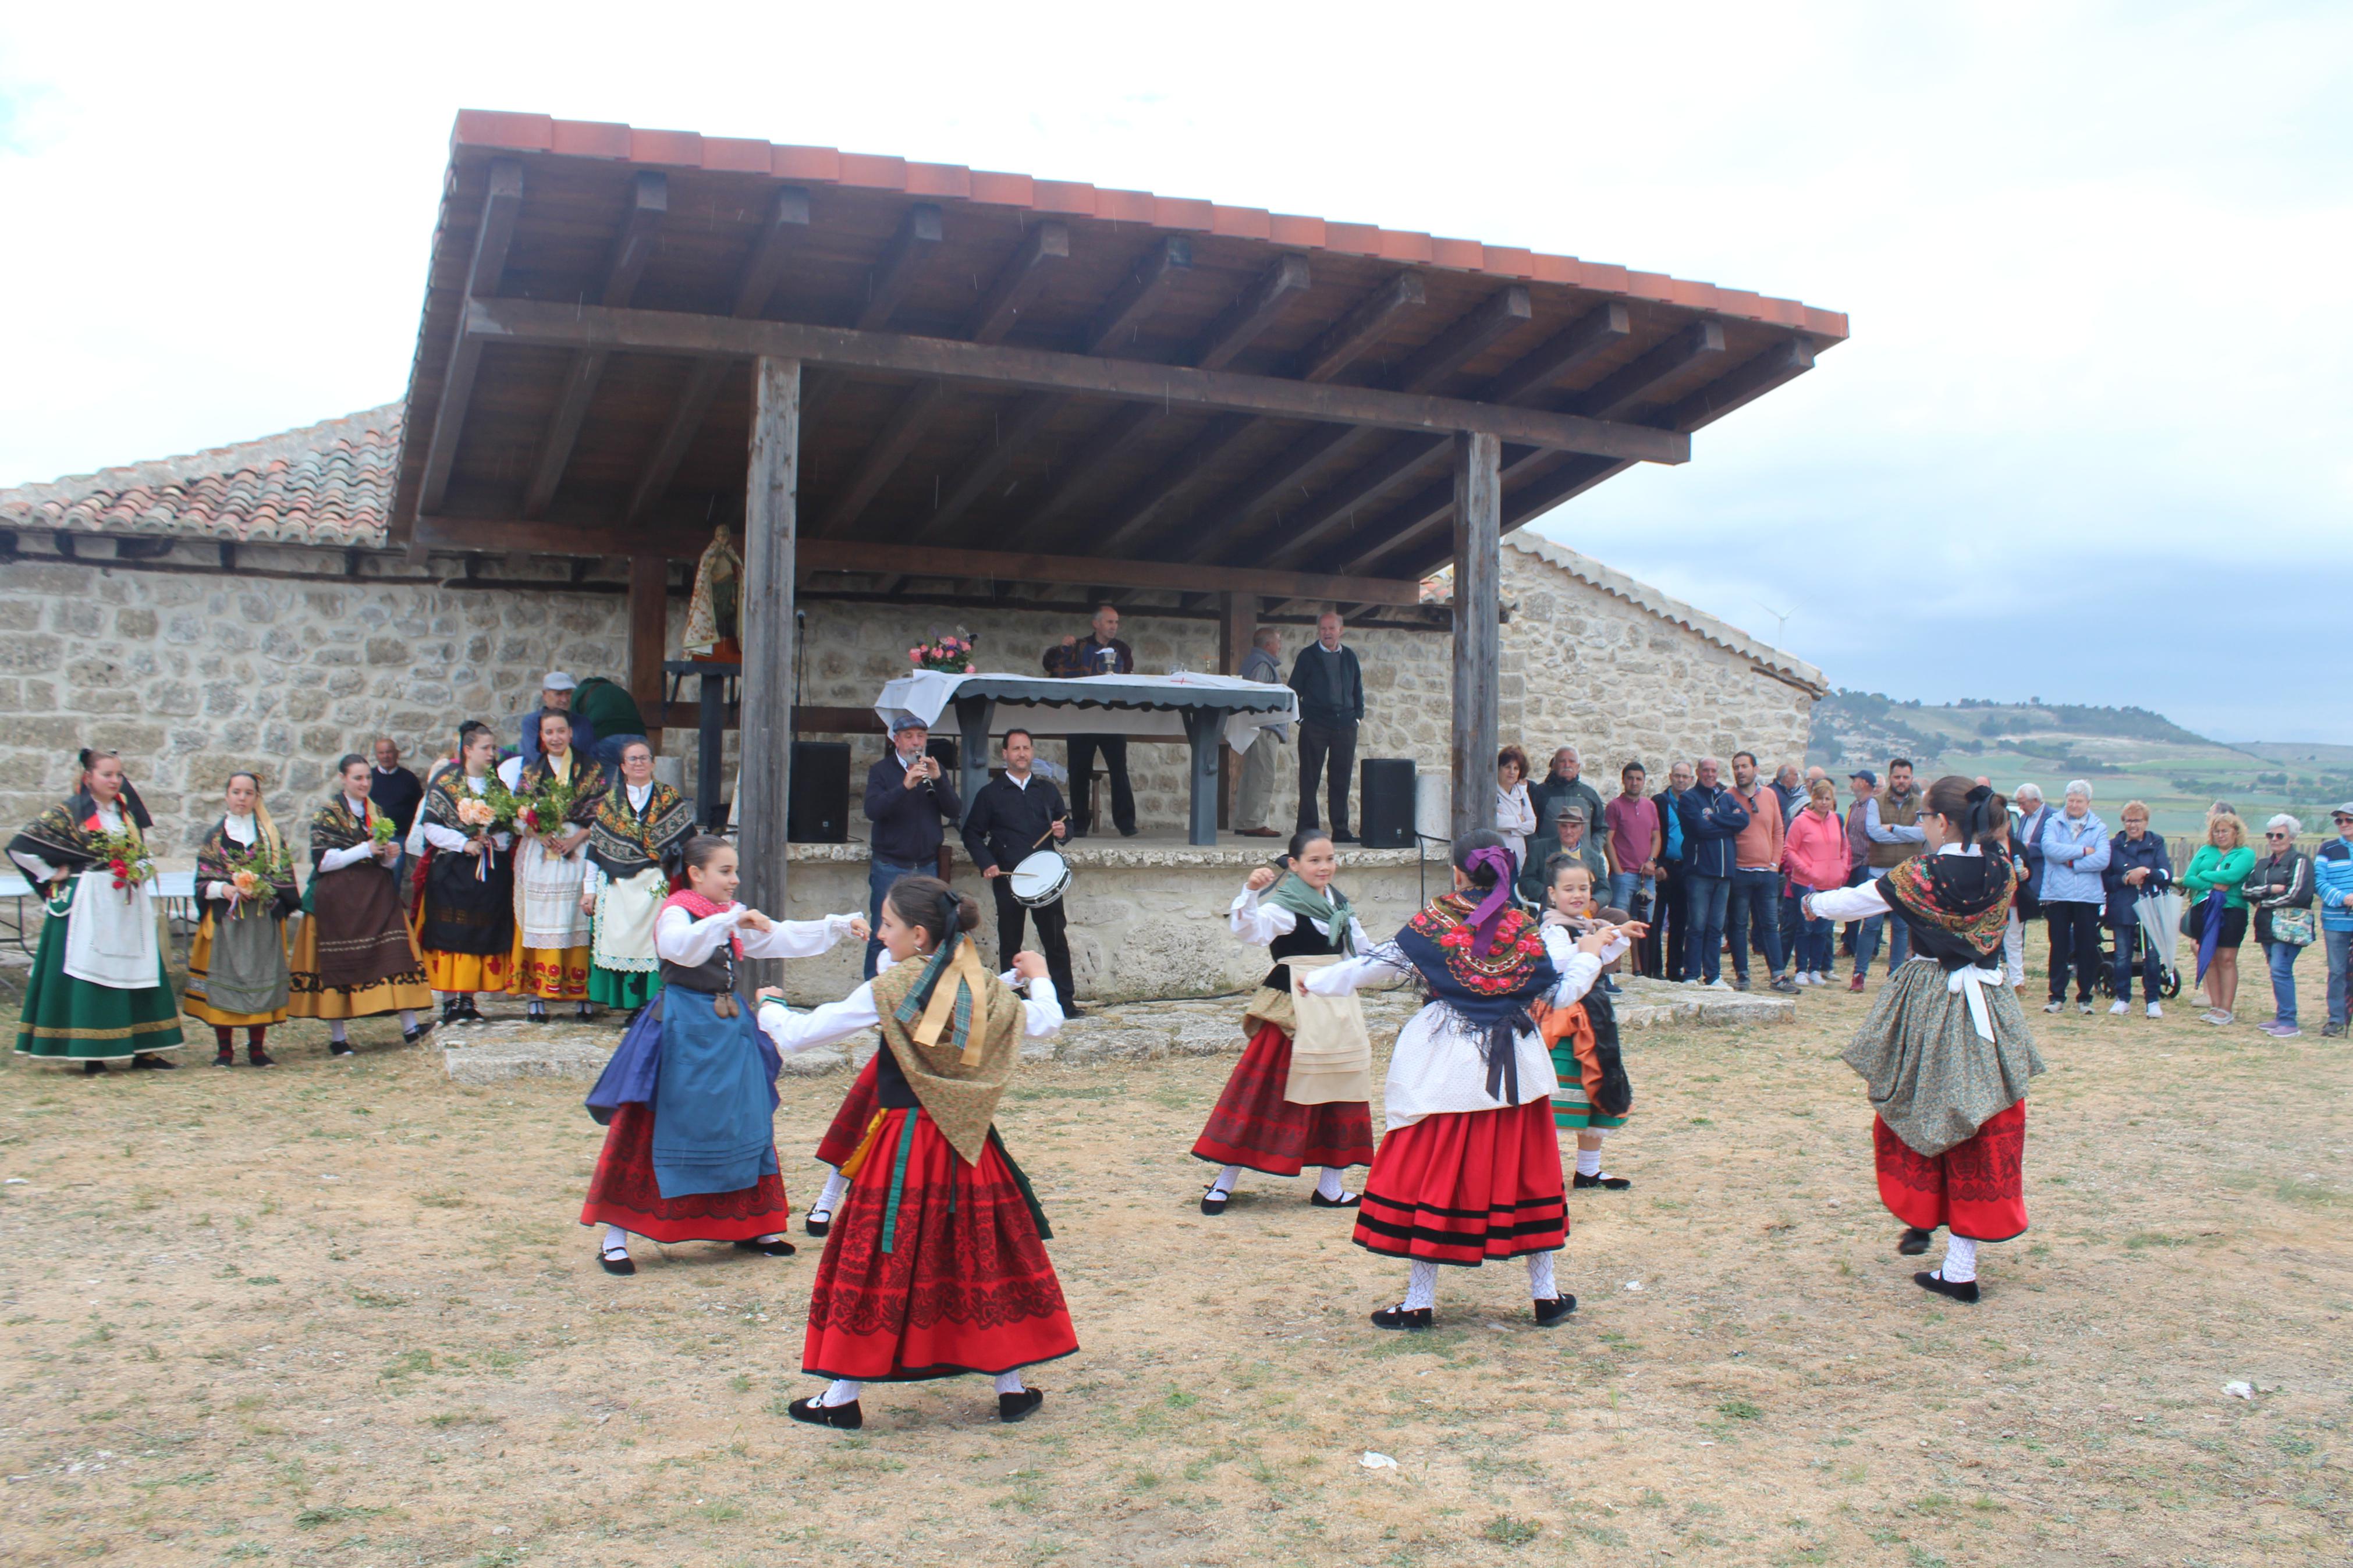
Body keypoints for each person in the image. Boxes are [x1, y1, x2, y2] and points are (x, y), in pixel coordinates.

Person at [765, 876, 1075, 1430]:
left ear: (919, 934)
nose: (880, 934)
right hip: (968, 1143)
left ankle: (840, 1396)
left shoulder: (890, 988)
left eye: (887, 924)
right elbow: (1046, 1022)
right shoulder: (978, 984)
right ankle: (1009, 1387)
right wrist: (1041, 978)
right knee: (981, 1254)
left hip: (905, 1144)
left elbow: (800, 1034)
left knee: (883, 1257)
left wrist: (769, 1008)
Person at [1301, 831, 1597, 1330]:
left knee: (1436, 1172)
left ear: (1457, 871)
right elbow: (1561, 991)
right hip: (1513, 1067)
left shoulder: (1435, 921)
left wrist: (1317, 981)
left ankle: (1419, 1300)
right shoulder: (1523, 926)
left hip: (1448, 1062)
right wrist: (1590, 953)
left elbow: (1375, 965)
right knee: (1527, 1171)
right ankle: (1545, 1294)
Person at [580, 835, 867, 1277]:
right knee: (653, 1126)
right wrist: (729, 920)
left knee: (745, 1119)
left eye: (735, 871)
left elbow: (777, 936)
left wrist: (838, 926)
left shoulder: (727, 914)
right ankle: (616, 1235)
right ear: (696, 874)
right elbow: (679, 948)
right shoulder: (677, 911)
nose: (734, 880)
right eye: (725, 871)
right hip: (680, 1029)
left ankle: (754, 1224)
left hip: (728, 1029)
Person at [1800, 778, 2040, 1304]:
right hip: (1989, 1003)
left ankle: (1940, 1241)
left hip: (1934, 1000)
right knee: (1978, 1119)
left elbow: (1858, 901)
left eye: (1925, 818)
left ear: (1942, 822)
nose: (1922, 825)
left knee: (1918, 1109)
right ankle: (1955, 1256)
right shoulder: (2001, 869)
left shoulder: (1922, 873)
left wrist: (1812, 903)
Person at [1195, 829, 1376, 1213]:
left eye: (1330, 859)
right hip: (1295, 1004)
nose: (1325, 867)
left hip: (1338, 1002)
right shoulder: (1284, 906)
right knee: (1265, 1090)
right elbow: (1249, 930)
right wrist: (1250, 892)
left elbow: (1362, 952)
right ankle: (1224, 1181)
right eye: (1315, 860)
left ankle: (1330, 1187)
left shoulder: (1340, 905)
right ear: (1293, 865)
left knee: (1342, 1086)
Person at [9, 748, 186, 1073]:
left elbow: (139, 851)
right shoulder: (69, 813)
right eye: (107, 775)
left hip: (126, 901)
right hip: (90, 900)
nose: (115, 781)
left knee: (138, 967)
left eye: (118, 775)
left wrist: (140, 868)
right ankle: (93, 1052)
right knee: (93, 970)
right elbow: (21, 847)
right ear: (88, 777)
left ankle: (145, 1051)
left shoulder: (125, 813)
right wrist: (51, 874)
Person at [288, 754, 434, 1055]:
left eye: (368, 777)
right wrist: (366, 848)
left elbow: (382, 861)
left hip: (375, 893)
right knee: (336, 961)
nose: (364, 783)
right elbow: (324, 861)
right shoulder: (327, 815)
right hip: (337, 896)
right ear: (343, 779)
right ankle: (338, 1038)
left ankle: (410, 1028)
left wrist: (389, 856)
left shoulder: (376, 812)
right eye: (358, 778)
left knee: (396, 951)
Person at [1532, 858, 1642, 1189]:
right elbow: (1555, 963)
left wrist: (1618, 935)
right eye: (1569, 889)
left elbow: (1602, 957)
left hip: (1595, 1016)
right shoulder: (1553, 929)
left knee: (1599, 1088)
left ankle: (1588, 1170)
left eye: (1584, 888)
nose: (1577, 894)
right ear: (1552, 894)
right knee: (1557, 1097)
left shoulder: (1587, 925)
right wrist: (1587, 945)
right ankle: (1542, 1174)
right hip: (1563, 1020)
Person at [500, 710, 609, 1021]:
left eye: (561, 731)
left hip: (578, 849)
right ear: (541, 736)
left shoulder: (590, 769)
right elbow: (517, 816)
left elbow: (603, 814)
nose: (556, 738)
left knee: (577, 916)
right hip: (540, 853)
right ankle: (537, 993)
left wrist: (576, 839)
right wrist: (540, 833)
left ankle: (582, 993)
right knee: (538, 917)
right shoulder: (532, 771)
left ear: (571, 733)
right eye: (549, 732)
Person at [185, 771, 299, 1067]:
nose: (242, 798)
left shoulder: (270, 838)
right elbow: (202, 881)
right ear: (227, 795)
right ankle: (225, 1050)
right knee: (226, 979)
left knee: (259, 976)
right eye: (236, 792)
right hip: (228, 920)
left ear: (257, 798)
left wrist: (262, 886)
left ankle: (257, 1049)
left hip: (260, 919)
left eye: (249, 793)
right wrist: (225, 889)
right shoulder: (215, 837)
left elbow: (284, 876)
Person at [961, 729, 1078, 1017]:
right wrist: (987, 862)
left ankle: (1065, 1002)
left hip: (1045, 880)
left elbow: (1066, 824)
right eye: (1016, 749)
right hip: (1009, 877)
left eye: (1026, 748)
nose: (1022, 754)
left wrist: (1063, 832)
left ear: (1032, 752)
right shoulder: (990, 794)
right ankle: (1013, 1002)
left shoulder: (1047, 791)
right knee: (1010, 941)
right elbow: (971, 833)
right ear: (1005, 754)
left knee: (1055, 940)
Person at [582, 739, 694, 1015]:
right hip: (618, 884)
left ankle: (653, 1004)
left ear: (653, 763)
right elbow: (596, 849)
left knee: (656, 943)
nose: (639, 763)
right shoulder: (610, 803)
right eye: (632, 759)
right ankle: (632, 1006)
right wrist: (588, 890)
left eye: (644, 758)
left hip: (657, 882)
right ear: (623, 767)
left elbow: (687, 843)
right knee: (623, 941)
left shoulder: (669, 798)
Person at [414, 723, 516, 1026]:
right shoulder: (446, 783)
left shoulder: (497, 787)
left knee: (479, 933)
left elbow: (508, 829)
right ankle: (449, 1002)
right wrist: (463, 843)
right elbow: (430, 827)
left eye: (493, 748)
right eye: (486, 748)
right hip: (453, 873)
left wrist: (492, 841)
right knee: (451, 934)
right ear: (468, 750)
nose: (491, 754)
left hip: (488, 873)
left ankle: (469, 1000)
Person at [860, 715, 964, 979]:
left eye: (920, 736)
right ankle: (873, 994)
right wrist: (905, 786)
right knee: (883, 933)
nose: (916, 742)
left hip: (926, 866)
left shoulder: (933, 769)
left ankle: (917, 991)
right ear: (896, 741)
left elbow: (954, 810)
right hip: (890, 866)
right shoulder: (881, 771)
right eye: (909, 737)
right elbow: (873, 810)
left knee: (925, 934)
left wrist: (939, 780)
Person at [1044, 603, 1138, 839]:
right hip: (1081, 717)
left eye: (1116, 622)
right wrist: (1063, 648)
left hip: (1112, 718)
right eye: (1110, 622)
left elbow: (1127, 677)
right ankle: (1080, 824)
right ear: (1096, 624)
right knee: (1078, 771)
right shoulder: (1079, 647)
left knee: (1119, 771)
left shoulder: (1122, 649)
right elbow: (1051, 664)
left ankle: (1126, 824)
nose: (1114, 626)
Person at [2035, 781, 2110, 1016]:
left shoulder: (2099, 828)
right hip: (2057, 894)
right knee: (2059, 946)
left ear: (2088, 803)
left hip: (2087, 897)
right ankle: (2056, 996)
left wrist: (2071, 863)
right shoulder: (2053, 823)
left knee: (2087, 946)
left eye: (2079, 801)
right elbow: (2050, 850)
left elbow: (2103, 859)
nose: (2075, 805)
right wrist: (2083, 852)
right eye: (2071, 800)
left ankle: (2084, 997)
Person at [1289, 610, 1364, 842]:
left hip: (1346, 726)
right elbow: (1293, 692)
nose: (1327, 633)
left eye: (1332, 628)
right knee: (1309, 778)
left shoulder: (1349, 657)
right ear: (1318, 631)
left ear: (1341, 631)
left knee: (1341, 779)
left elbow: (1357, 690)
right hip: (1315, 725)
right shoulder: (1307, 656)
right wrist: (1302, 720)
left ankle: (1341, 831)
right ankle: (1307, 830)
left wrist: (1358, 717)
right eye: (1323, 629)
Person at [1725, 751, 1795, 994]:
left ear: (1755, 769)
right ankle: (1742, 974)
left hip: (1766, 873)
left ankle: (1778, 975)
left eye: (1744, 766)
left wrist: (1775, 864)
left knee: (1770, 925)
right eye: (1736, 767)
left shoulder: (1769, 796)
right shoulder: (1727, 798)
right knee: (1738, 924)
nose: (1740, 771)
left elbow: (1778, 831)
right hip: (1739, 872)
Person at [1855, 759, 1928, 987]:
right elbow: (1874, 833)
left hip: (1908, 874)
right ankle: (1859, 974)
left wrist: (1894, 828)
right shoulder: (1875, 802)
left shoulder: (1921, 804)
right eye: (1897, 777)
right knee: (1871, 925)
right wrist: (1907, 835)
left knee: (1901, 927)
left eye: (1906, 777)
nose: (1901, 781)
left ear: (1912, 778)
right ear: (1890, 778)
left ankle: (1895, 977)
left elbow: (1923, 835)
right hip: (1879, 873)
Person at [1675, 757, 1747, 986]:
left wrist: (1715, 818)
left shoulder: (1726, 798)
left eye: (1714, 771)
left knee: (1716, 928)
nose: (1710, 774)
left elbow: (1743, 820)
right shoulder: (1689, 799)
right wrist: (1729, 826)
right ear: (1698, 772)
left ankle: (1713, 976)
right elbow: (1700, 829)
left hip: (1725, 873)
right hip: (1700, 872)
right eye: (1706, 770)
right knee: (1697, 926)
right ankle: (1691, 974)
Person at [2181, 810, 2255, 1025]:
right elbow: (2188, 879)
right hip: (2203, 908)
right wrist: (2213, 883)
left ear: (2236, 832)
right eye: (2217, 831)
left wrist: (2204, 875)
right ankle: (2215, 1006)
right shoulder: (2206, 851)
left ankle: (2226, 1009)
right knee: (2210, 957)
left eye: (2225, 831)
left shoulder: (2245, 854)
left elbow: (2233, 876)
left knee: (2227, 958)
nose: (2220, 835)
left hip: (2231, 909)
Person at [2100, 801, 2173, 1019]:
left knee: (2152, 955)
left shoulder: (2157, 842)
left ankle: (2152, 1000)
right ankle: (2122, 999)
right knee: (2123, 955)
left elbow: (2166, 874)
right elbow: (2106, 880)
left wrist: (2146, 872)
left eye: (2138, 820)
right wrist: (2125, 878)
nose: (2133, 825)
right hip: (2122, 906)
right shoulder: (2113, 846)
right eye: (2129, 820)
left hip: (2151, 905)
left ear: (2146, 822)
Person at [2246, 814, 2314, 1039]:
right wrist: (2270, 889)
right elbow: (2247, 890)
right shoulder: (2263, 864)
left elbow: (2297, 894)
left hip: (2290, 927)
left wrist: (2264, 902)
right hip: (2266, 926)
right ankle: (2281, 1015)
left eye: (2280, 835)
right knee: (2275, 970)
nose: (2274, 839)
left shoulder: (2300, 861)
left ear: (2292, 838)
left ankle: (2288, 1021)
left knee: (2280, 969)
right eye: (2270, 835)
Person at [1781, 778, 1849, 986]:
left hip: (1831, 882)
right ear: (1813, 799)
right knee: (1805, 927)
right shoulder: (1801, 822)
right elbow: (1789, 850)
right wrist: (1807, 870)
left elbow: (1844, 848)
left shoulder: (1836, 820)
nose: (1824, 803)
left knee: (1823, 928)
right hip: (1806, 882)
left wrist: (1842, 869)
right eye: (1820, 799)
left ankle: (1816, 969)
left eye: (1828, 799)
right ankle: (1801, 969)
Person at [1234, 627, 1287, 838]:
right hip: (1265, 727)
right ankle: (1256, 822)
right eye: (1278, 642)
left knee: (1251, 775)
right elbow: (1258, 696)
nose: (1280, 646)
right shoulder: (1263, 665)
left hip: (1254, 727)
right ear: (1268, 645)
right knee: (1263, 775)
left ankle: (1244, 820)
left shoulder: (1250, 662)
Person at [1603, 761, 1662, 929]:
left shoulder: (1650, 806)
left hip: (1646, 876)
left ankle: (1639, 951)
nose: (1634, 783)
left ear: (1644, 782)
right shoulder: (1615, 806)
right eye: (1630, 778)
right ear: (1623, 780)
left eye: (1639, 779)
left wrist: (1651, 861)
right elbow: (1608, 840)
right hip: (1624, 876)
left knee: (1642, 925)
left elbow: (1656, 838)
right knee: (1618, 925)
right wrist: (1618, 870)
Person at [1649, 761, 1692, 981]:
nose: (1681, 780)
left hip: (1685, 869)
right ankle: (1654, 968)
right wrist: (1657, 864)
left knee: (1679, 921)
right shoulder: (1659, 802)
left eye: (1685, 777)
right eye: (1677, 776)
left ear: (1691, 780)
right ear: (1670, 777)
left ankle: (1675, 970)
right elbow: (1653, 834)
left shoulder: (1693, 802)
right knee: (1655, 920)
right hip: (1664, 867)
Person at [1518, 804, 1606, 908]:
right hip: (1550, 908)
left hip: (1584, 909)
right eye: (1564, 826)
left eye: (1574, 827)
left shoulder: (1595, 857)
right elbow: (1526, 881)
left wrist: (1595, 902)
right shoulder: (1539, 848)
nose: (1568, 832)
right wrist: (1549, 896)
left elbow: (1605, 890)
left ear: (1582, 830)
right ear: (1558, 827)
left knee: (1617, 914)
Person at [2007, 784, 2051, 990]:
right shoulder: (2024, 818)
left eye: (2023, 803)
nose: (2021, 808)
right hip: (2023, 877)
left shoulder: (2052, 817)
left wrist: (2026, 848)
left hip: (2042, 875)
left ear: (2035, 800)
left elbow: (2049, 846)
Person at [2315, 803, 2353, 1039]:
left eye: (2349, 820)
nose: (2344, 824)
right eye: (2340, 821)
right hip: (2335, 920)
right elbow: (2319, 881)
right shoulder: (2327, 849)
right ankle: (2336, 1018)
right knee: (2337, 971)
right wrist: (2343, 898)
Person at [368, 737, 424, 888]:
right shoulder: (369, 778)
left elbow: (419, 808)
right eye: (381, 753)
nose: (385, 756)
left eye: (389, 752)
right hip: (372, 836)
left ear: (397, 754)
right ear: (376, 755)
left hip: (399, 836)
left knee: (395, 875)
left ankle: (391, 902)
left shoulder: (409, 779)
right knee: (371, 875)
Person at [568, 675, 652, 771]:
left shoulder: (580, 692)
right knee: (632, 776)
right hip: (638, 736)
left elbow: (576, 725)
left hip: (605, 737)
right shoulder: (620, 691)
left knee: (602, 777)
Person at [517, 672, 597, 767]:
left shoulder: (583, 722)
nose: (564, 699)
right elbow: (533, 755)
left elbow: (591, 755)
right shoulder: (532, 722)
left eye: (568, 693)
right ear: (545, 695)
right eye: (559, 694)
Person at [1529, 748, 1606, 844]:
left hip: (1582, 853)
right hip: (1548, 853)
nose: (1567, 765)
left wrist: (1593, 849)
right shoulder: (1539, 792)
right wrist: (1537, 848)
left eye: (1572, 761)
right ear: (1554, 766)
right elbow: (1528, 826)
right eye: (1562, 761)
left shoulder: (1590, 794)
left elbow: (1601, 828)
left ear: (1578, 767)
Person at [1494, 746, 1538, 876]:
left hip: (1517, 855)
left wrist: (1510, 829)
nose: (1512, 772)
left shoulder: (1521, 793)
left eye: (1516, 768)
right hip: (1497, 854)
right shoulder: (1491, 792)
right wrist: (1519, 819)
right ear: (1499, 768)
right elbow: (1495, 822)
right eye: (1507, 767)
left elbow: (1532, 825)